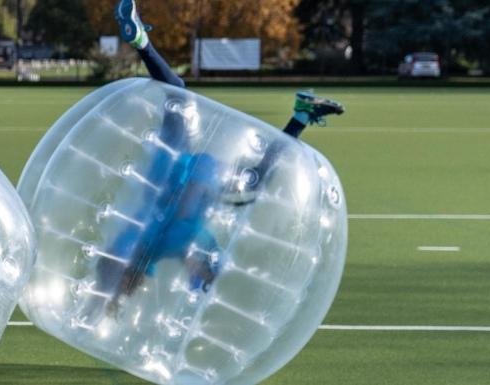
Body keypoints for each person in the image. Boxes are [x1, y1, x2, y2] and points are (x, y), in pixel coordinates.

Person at [88, 0, 347, 312]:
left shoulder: (157, 247)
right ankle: (302, 115)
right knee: (178, 92)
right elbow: (171, 255)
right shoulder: (175, 248)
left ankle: (302, 115)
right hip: (179, 164)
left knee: (249, 177)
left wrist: (113, 297)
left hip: (184, 170)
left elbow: (154, 245)